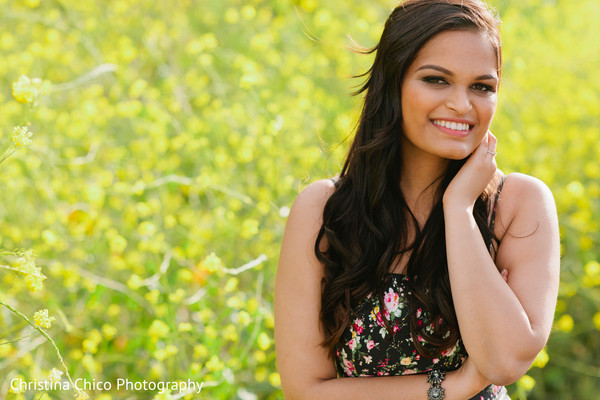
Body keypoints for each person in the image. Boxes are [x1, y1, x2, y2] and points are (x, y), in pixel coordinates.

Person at [274, 0, 560, 399]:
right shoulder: (323, 210)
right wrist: (452, 386)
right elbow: (304, 391)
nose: (463, 105)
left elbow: (504, 363)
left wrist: (458, 207)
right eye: (437, 80)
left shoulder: (518, 204)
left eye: (482, 86)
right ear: (393, 82)